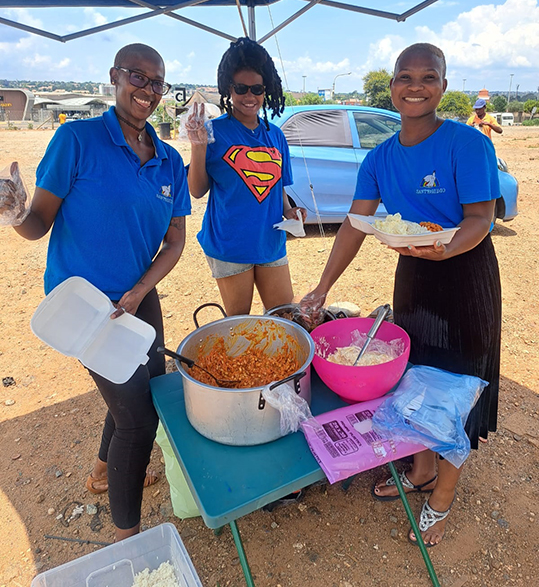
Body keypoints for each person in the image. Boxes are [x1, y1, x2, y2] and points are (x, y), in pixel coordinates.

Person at [302, 43, 501, 547]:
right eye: (404, 77)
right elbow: (354, 223)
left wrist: (448, 248)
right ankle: (422, 470)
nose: (415, 86)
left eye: (427, 77)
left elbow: (481, 217)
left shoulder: (466, 144)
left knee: (458, 383)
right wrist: (323, 286)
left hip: (465, 275)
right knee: (414, 376)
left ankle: (442, 496)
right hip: (413, 275)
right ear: (391, 86)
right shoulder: (380, 157)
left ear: (443, 86)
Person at [1, 43, 191, 542]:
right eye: (137, 77)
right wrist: (16, 213)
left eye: (157, 82)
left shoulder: (169, 160)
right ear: (115, 76)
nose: (147, 90)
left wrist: (139, 291)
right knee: (138, 418)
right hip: (85, 306)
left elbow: (175, 242)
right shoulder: (77, 139)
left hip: (136, 296)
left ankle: (104, 473)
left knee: (146, 388)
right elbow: (40, 221)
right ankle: (128, 540)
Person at [186, 37, 306, 315]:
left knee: (286, 317)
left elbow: (277, 188)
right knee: (239, 325)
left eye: (257, 89)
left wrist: (291, 211)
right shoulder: (213, 131)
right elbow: (196, 190)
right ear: (229, 88)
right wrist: (198, 146)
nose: (249, 96)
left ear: (267, 90)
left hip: (271, 243)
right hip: (230, 244)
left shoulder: (275, 135)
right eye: (241, 88)